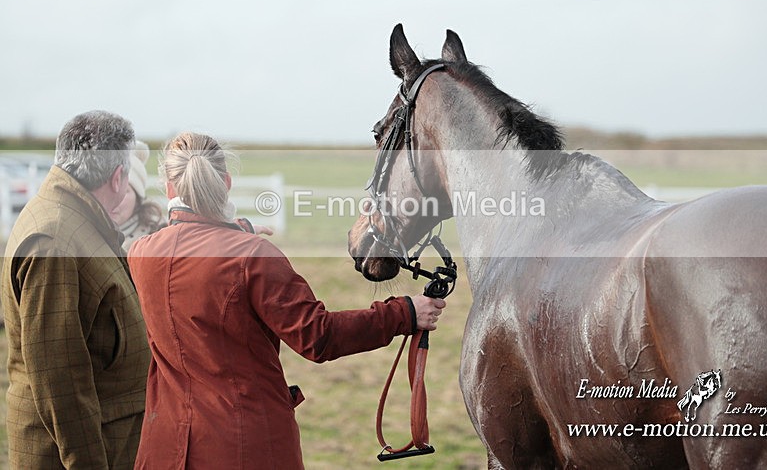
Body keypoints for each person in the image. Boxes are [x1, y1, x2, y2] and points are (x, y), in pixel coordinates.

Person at [127, 132, 446, 469]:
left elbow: (189, 255)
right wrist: (405, 313)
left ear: (168, 188)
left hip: (164, 447)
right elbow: (318, 337)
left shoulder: (141, 253)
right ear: (227, 182)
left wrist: (234, 232)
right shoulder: (254, 257)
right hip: (247, 448)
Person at [1, 111, 151, 468]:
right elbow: (59, 380)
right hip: (79, 456)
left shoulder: (76, 218)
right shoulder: (54, 243)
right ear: (117, 178)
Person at [109, 141, 167, 252]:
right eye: (109, 189)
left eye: (124, 191)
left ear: (138, 198)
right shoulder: (82, 235)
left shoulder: (159, 240)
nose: (114, 200)